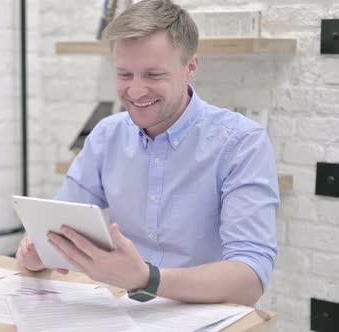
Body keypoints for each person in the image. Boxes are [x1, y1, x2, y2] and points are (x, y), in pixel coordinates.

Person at [16, 0, 278, 307]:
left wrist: (146, 278)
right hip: (120, 312)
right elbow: (56, 227)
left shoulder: (242, 142)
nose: (136, 90)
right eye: (125, 75)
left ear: (190, 66)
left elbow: (250, 279)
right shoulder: (106, 135)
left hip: (206, 317)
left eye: (153, 75)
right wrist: (36, 250)